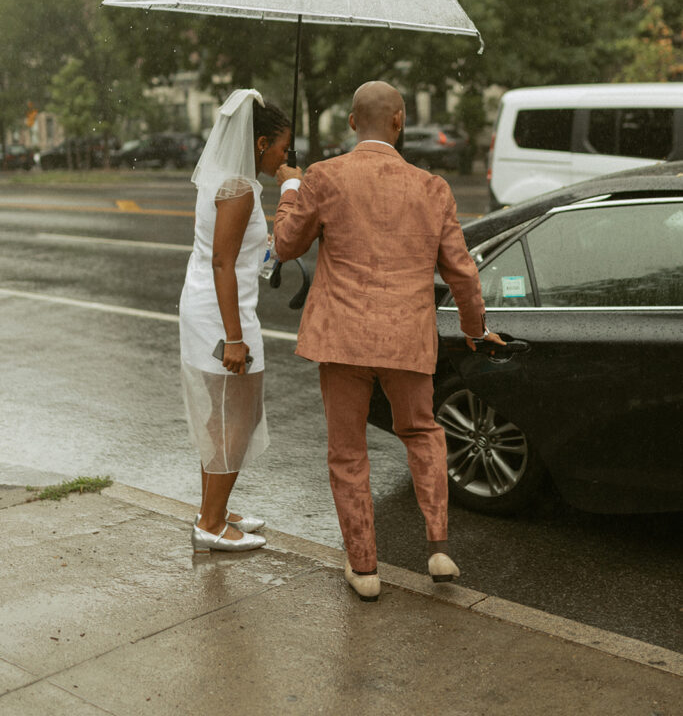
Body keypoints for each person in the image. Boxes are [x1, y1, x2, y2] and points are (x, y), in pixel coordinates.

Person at [274, 80, 503, 601]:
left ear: (353, 123)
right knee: (422, 431)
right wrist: (474, 328)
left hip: (342, 337)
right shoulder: (433, 188)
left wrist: (289, 188)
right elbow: (463, 273)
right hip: (407, 335)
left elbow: (286, 245)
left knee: (348, 451)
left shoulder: (324, 176)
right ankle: (439, 546)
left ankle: (365, 568)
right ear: (399, 121)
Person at [179, 88, 291, 554]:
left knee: (221, 417)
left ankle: (216, 509)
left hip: (212, 307)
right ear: (261, 143)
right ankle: (210, 522)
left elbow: (242, 255)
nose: (287, 156)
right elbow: (223, 263)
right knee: (236, 418)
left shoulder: (229, 179)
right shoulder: (239, 189)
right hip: (223, 317)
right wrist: (234, 339)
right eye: (283, 147)